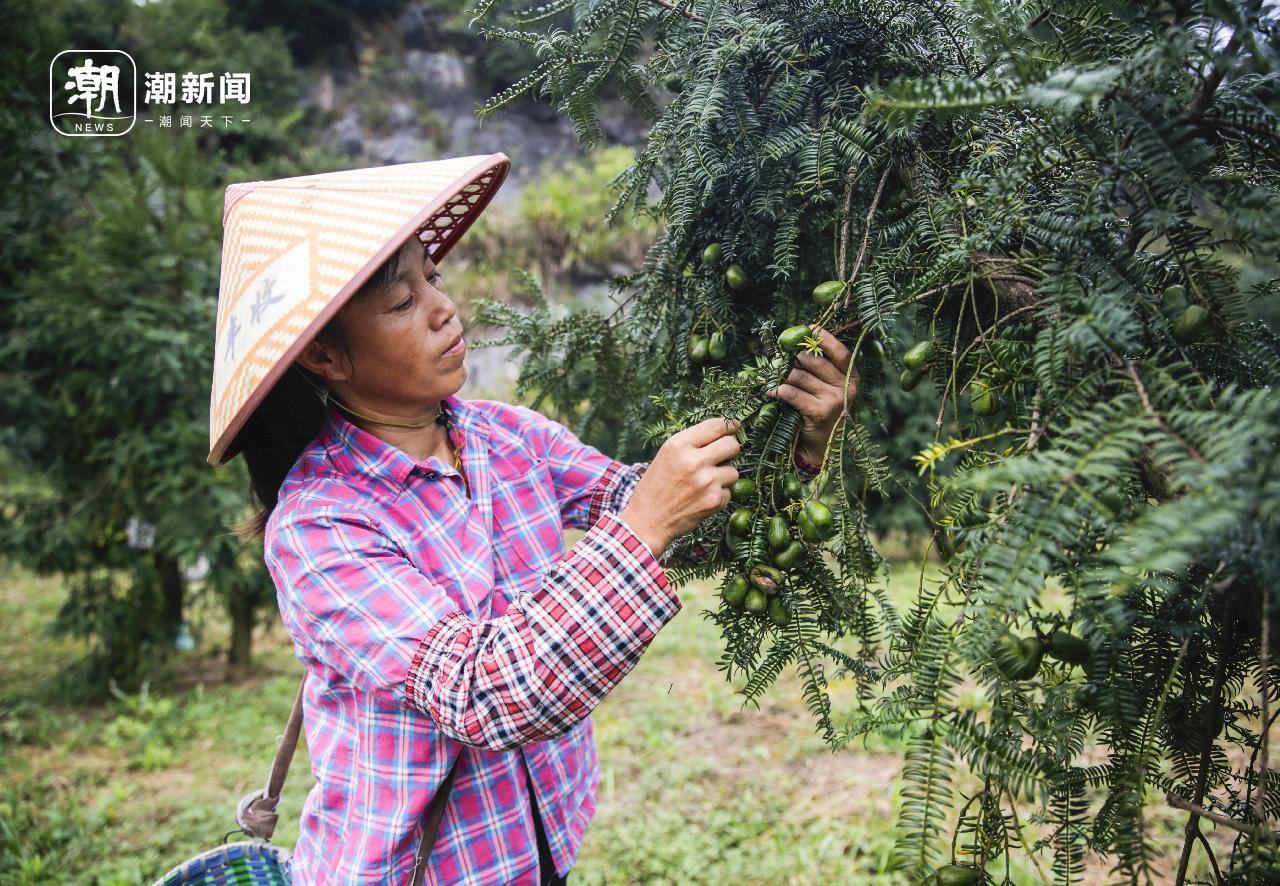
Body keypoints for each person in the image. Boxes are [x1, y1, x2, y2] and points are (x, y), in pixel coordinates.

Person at [208, 155, 856, 885]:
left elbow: (661, 514)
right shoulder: (321, 524)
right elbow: (481, 689)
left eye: (435, 278)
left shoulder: (508, 438)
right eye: (400, 302)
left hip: (536, 842)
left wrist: (798, 447)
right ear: (325, 353)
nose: (442, 308)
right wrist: (641, 527)